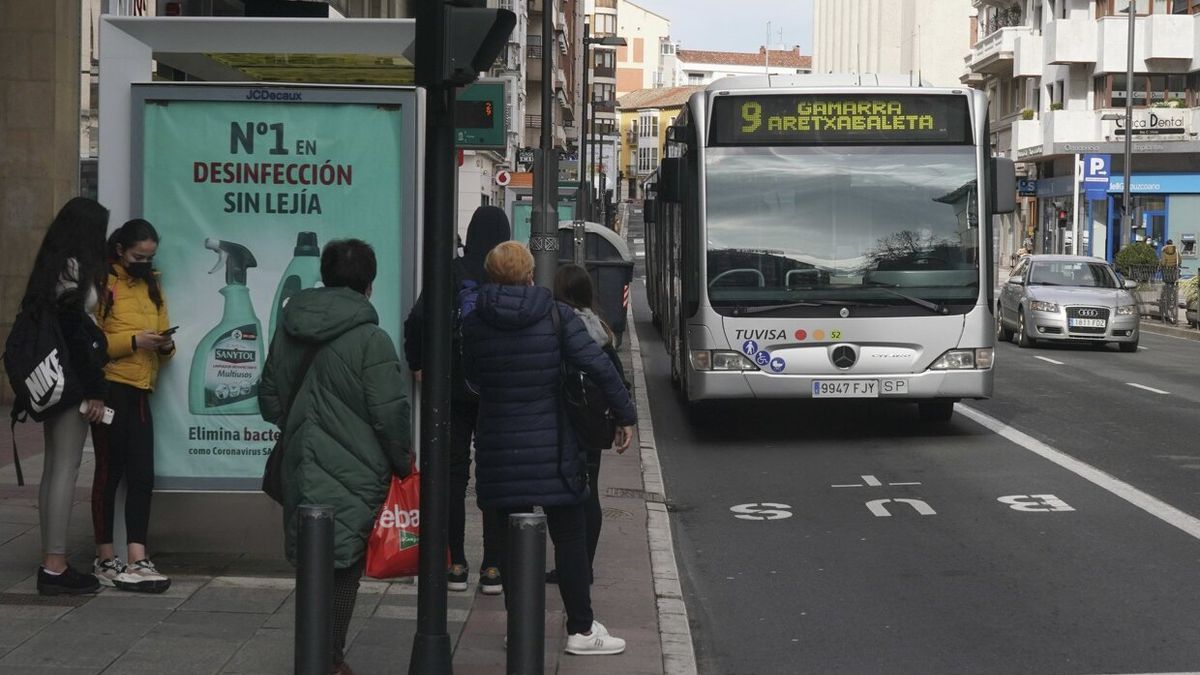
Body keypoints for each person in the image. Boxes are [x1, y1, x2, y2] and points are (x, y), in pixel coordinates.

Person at [462, 241, 636, 655]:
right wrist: (624, 415)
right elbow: (598, 366)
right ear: (529, 274)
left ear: (491, 275)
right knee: (570, 536)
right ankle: (580, 629)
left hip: (499, 446)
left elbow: (471, 381)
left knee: (508, 542)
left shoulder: (475, 322)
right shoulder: (556, 316)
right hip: (553, 448)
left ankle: (520, 629)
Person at [260, 239, 411, 675]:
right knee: (344, 567)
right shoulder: (371, 339)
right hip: (356, 470)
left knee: (312, 561)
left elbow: (269, 401)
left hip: (300, 467)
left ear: (325, 276)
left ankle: (316, 654)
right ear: (369, 283)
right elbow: (390, 415)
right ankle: (328, 658)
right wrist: (403, 464)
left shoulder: (289, 327)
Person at [403, 205, 509, 595]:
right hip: (497, 391)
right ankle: (494, 566)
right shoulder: (509, 272)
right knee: (494, 473)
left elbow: (417, 321)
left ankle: (456, 563)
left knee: (451, 472)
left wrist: (418, 363)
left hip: (450, 386)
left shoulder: (450, 270)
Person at [18, 197, 110, 596]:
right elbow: (75, 334)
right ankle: (55, 567)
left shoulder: (50, 265)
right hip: (71, 382)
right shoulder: (75, 268)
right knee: (65, 469)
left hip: (52, 378)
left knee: (54, 468)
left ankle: (50, 560)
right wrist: (94, 391)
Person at [91, 219, 175, 593]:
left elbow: (164, 330)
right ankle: (105, 557)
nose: (145, 262)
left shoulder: (153, 285)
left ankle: (138, 557)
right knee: (109, 474)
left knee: (142, 475)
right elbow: (91, 343)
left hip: (141, 387)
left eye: (150, 256)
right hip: (110, 388)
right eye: (139, 256)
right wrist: (134, 342)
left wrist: (165, 345)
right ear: (122, 249)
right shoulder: (103, 283)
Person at [546, 264, 628, 585]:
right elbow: (616, 377)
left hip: (565, 422)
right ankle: (586, 566)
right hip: (593, 423)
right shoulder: (601, 329)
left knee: (565, 496)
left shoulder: (558, 326)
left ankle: (571, 565)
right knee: (590, 490)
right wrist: (622, 417)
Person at [1161, 238, 1181, 324]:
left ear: (1166, 244)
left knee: (1167, 286)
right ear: (1172, 244)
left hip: (1167, 273)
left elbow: (1162, 263)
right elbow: (1179, 261)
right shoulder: (1176, 251)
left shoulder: (1164, 251)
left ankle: (1168, 299)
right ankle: (1173, 298)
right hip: (1174, 273)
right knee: (1173, 286)